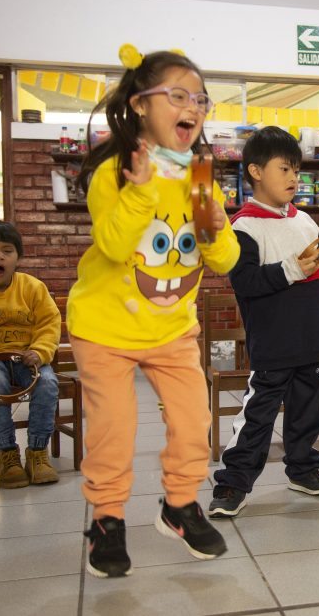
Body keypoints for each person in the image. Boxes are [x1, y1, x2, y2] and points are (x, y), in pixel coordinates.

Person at [68, 46, 240, 578]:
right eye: (179, 96)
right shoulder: (115, 172)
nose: (193, 108)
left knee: (193, 420)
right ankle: (107, 520)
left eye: (201, 100)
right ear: (141, 105)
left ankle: (180, 506)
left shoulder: (199, 176)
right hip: (105, 327)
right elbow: (116, 245)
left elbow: (225, 259)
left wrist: (215, 226)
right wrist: (141, 193)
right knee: (114, 429)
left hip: (171, 329)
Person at [209, 126, 319, 518]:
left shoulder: (306, 221)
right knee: (258, 416)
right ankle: (234, 483)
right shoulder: (243, 227)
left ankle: (303, 469)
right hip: (274, 342)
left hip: (315, 335)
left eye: (296, 171)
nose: (293, 178)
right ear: (255, 171)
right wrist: (292, 268)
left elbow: (317, 275)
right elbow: (246, 283)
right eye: (284, 169)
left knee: (307, 413)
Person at [0, 220, 61, 488]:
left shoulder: (32, 287)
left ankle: (37, 452)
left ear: (17, 258)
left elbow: (49, 324)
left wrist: (40, 352)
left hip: (27, 357)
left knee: (47, 382)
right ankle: (7, 453)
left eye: (7, 251)